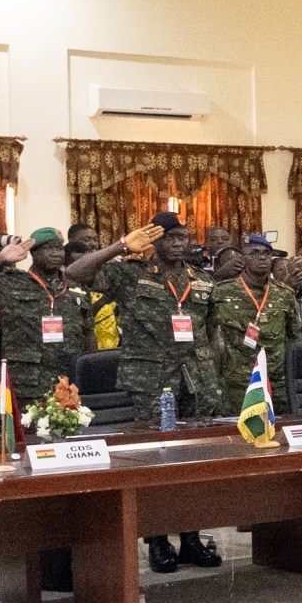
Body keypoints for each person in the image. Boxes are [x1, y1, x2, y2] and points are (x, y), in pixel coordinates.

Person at [68, 215, 219, 572]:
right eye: (169, 237)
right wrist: (121, 246)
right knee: (155, 464)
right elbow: (74, 274)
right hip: (150, 378)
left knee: (193, 463)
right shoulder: (128, 273)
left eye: (183, 236)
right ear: (152, 240)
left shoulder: (202, 280)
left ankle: (191, 538)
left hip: (196, 379)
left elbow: (211, 329)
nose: (178, 243)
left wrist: (210, 365)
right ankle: (157, 541)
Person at [0, 227, 90, 408]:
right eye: (48, 248)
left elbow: (88, 335)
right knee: (28, 435)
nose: (55, 254)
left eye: (59, 249)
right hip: (26, 385)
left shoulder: (75, 288)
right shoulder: (10, 283)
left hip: (68, 381)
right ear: (33, 253)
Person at [211, 235, 302, 411]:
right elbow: (210, 333)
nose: (262, 258)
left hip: (276, 382)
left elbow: (294, 337)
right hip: (238, 383)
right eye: (254, 253)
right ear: (242, 259)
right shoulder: (222, 292)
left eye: (267, 254)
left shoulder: (284, 294)